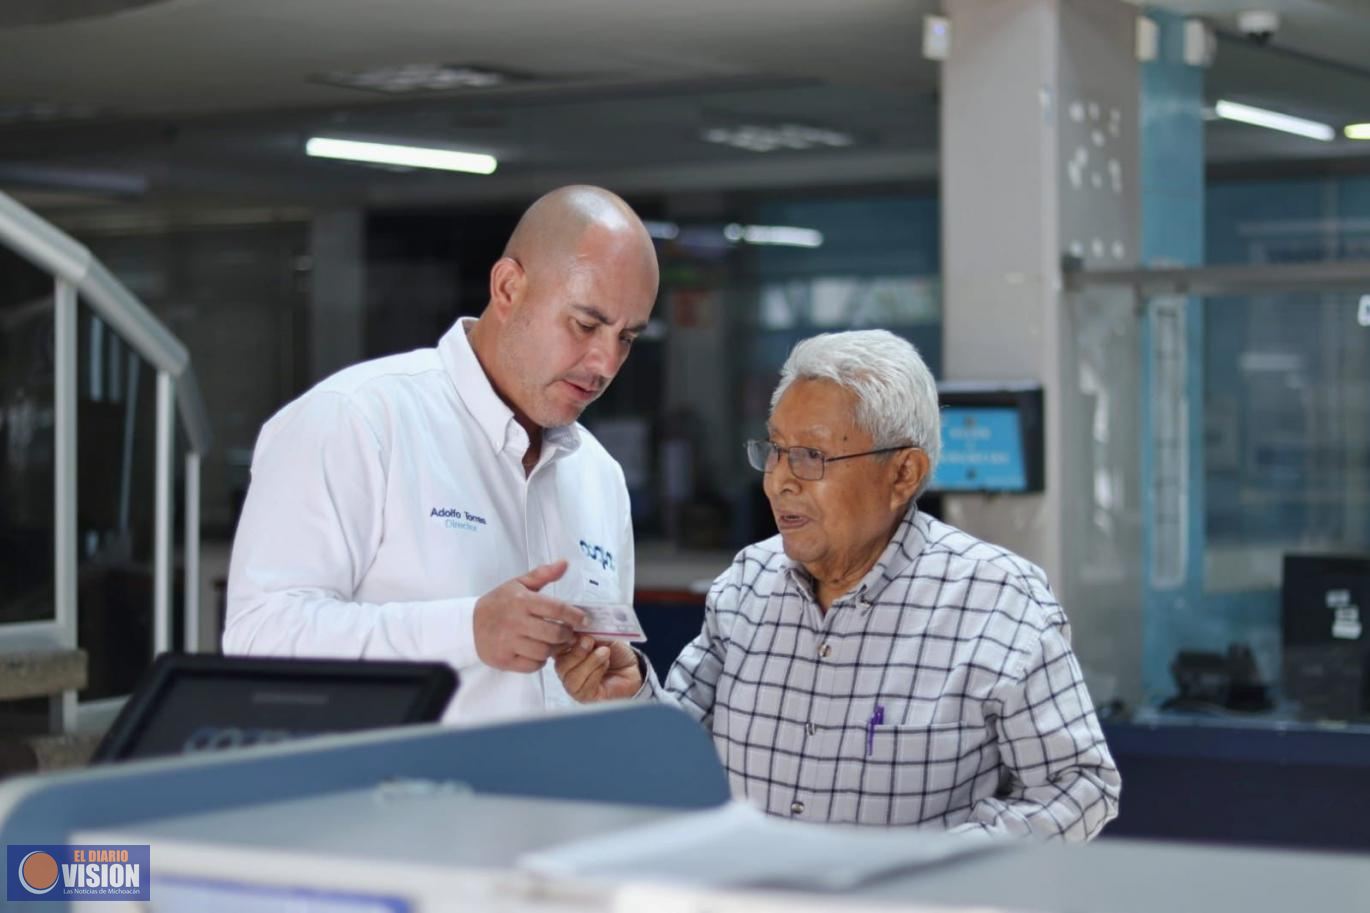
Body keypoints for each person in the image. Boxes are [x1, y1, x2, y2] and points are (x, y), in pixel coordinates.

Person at [557, 329, 1121, 840]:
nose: (779, 481)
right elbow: (681, 750)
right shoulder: (748, 585)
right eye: (774, 450)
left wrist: (939, 870)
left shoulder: (1000, 602)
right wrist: (629, 695)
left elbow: (1080, 786)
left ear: (903, 473)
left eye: (810, 457)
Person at [224, 185, 659, 724]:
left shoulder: (600, 476)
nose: (604, 363)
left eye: (627, 338)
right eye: (586, 324)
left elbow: (594, 695)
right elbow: (257, 639)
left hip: (556, 802)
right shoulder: (356, 419)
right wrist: (466, 630)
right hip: (383, 803)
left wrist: (624, 688)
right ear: (508, 287)